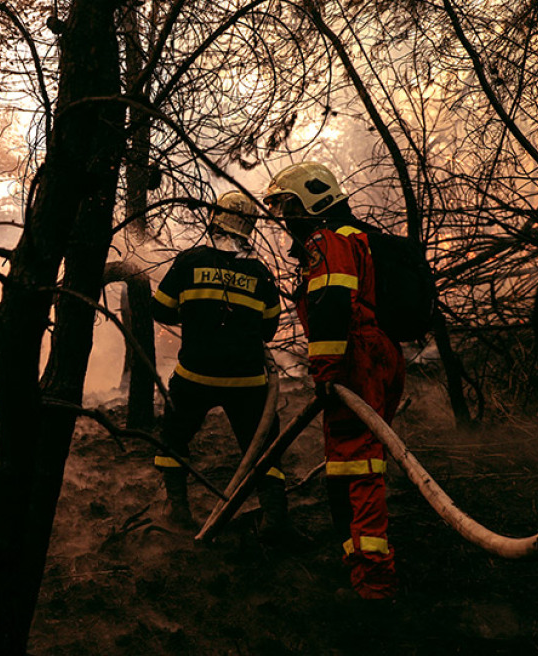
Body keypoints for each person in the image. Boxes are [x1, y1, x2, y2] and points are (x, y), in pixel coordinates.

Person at [264, 161, 403, 600]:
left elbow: (329, 307)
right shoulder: (351, 238)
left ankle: (374, 579)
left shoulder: (327, 242)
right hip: (373, 356)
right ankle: (357, 557)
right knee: (350, 463)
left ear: (311, 200)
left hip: (354, 362)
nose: (285, 217)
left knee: (358, 466)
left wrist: (326, 375)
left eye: (288, 206)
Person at [151, 191, 288, 537]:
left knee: (173, 438)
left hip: (194, 374)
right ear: (248, 231)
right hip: (248, 381)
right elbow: (269, 330)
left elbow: (161, 309)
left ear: (214, 221)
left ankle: (177, 508)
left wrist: (196, 314)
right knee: (263, 447)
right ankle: (274, 518)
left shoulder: (189, 262)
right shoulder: (260, 273)